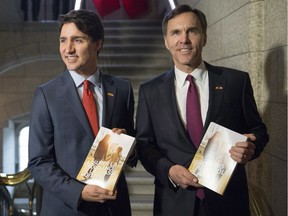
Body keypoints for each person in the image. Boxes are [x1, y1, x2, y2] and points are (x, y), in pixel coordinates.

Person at [135, 4, 269, 216]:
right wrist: (168, 170)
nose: (184, 39)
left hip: (228, 202)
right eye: (176, 32)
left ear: (204, 37)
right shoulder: (149, 91)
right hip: (174, 202)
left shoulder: (236, 82)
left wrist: (250, 147)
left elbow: (258, 130)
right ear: (166, 41)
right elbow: (144, 145)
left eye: (192, 31)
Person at [28, 9, 136, 216]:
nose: (68, 49)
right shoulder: (46, 94)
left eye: (77, 40)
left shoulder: (122, 89)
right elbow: (38, 161)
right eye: (63, 40)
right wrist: (79, 192)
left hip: (113, 208)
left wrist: (130, 148)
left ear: (98, 43)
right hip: (66, 208)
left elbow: (131, 145)